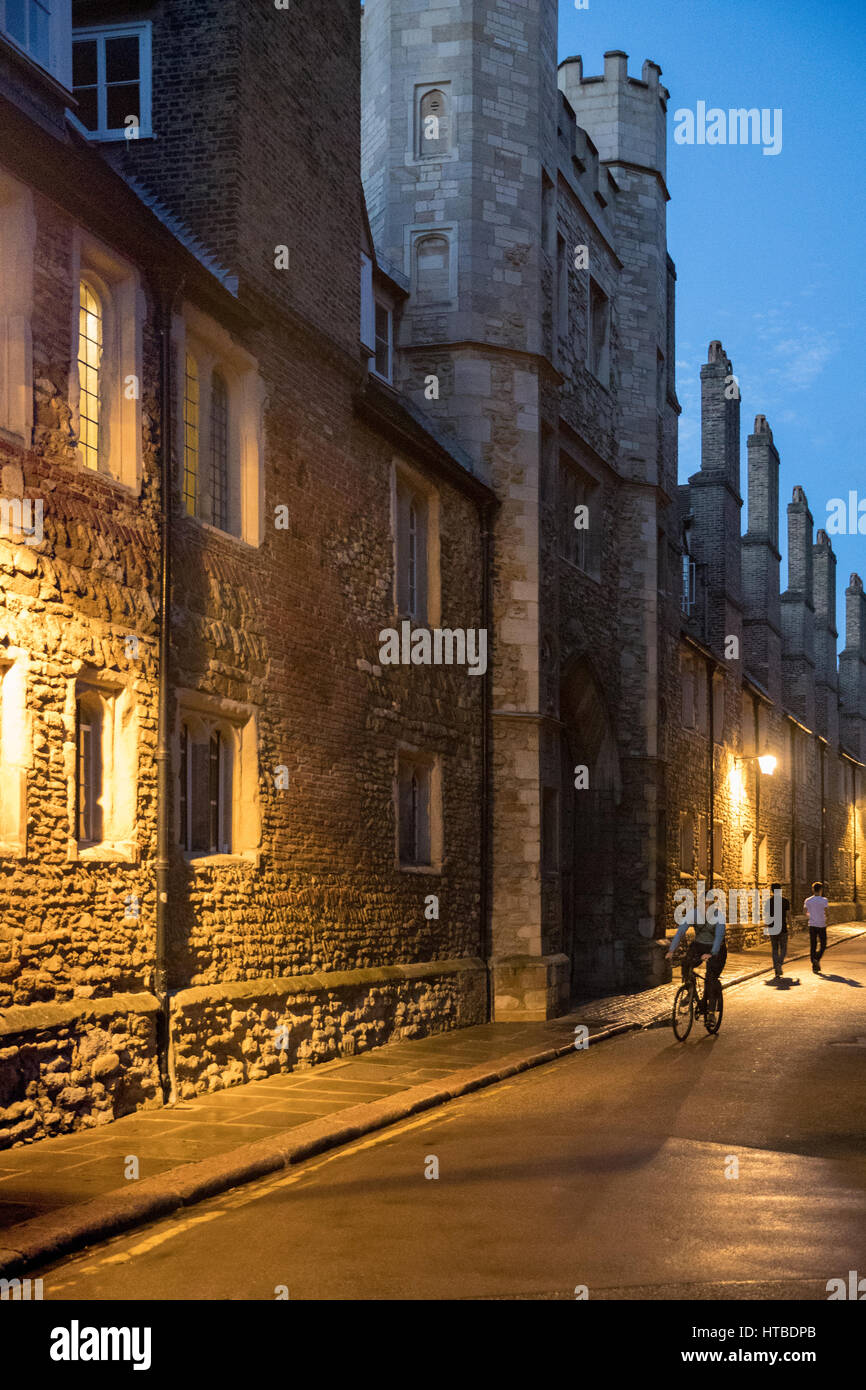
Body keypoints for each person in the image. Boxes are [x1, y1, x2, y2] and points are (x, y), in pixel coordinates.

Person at [666, 901, 727, 1013]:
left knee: (711, 978)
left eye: (709, 904)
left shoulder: (719, 917)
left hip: (717, 948)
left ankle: (711, 1013)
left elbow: (719, 937)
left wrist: (712, 953)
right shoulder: (693, 914)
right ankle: (690, 991)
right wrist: (671, 950)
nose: (706, 907)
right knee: (686, 963)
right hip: (699, 946)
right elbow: (680, 932)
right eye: (704, 904)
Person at [764, 882, 790, 979]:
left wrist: (766, 928)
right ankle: (779, 964)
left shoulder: (768, 902)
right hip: (782, 928)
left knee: (774, 949)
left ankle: (777, 968)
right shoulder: (785, 901)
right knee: (783, 948)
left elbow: (767, 917)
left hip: (772, 928)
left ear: (772, 891)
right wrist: (791, 928)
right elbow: (788, 916)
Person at [804, 881, 829, 973]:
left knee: (813, 944)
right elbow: (827, 912)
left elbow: (804, 912)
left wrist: (810, 916)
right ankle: (817, 959)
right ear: (821, 890)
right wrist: (826, 918)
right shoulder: (824, 900)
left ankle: (814, 962)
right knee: (823, 944)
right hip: (822, 925)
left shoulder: (808, 900)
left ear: (813, 889)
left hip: (812, 925)